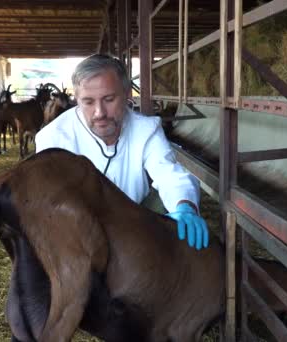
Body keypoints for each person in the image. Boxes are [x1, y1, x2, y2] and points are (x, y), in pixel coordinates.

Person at [35, 54, 209, 250]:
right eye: (88, 102)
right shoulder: (53, 138)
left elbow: (168, 173)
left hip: (134, 223)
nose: (100, 112)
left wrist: (185, 206)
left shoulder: (146, 129)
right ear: (76, 99)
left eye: (109, 99)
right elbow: (48, 201)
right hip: (78, 233)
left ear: (127, 94)